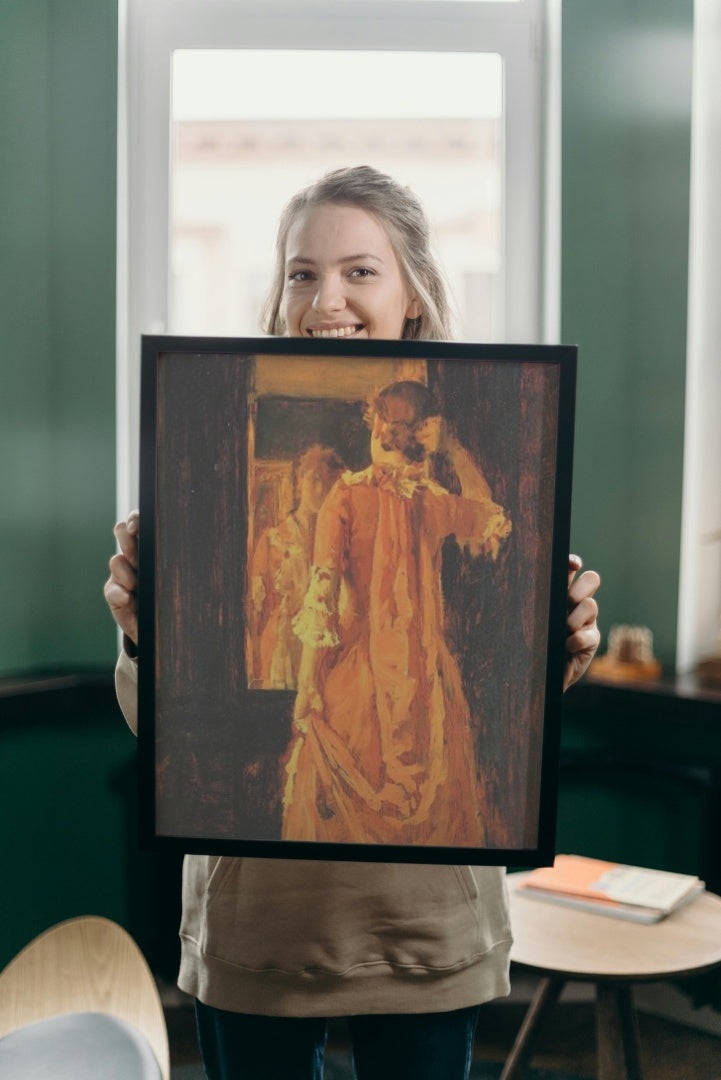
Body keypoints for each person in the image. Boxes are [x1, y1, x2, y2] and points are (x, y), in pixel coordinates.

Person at [105, 165, 601, 1080]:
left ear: (412, 292)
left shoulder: (443, 488)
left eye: (359, 271)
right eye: (301, 272)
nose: (324, 297)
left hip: (423, 919)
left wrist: (558, 646)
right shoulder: (316, 484)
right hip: (263, 920)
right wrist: (146, 636)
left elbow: (494, 543)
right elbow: (165, 716)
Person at [282, 379, 511, 848]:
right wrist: (455, 449)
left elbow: (320, 599)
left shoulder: (346, 497)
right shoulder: (434, 500)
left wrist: (307, 686)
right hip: (426, 678)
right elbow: (487, 514)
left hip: (357, 681)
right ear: (425, 435)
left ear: (379, 426)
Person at [250, 444, 345, 690]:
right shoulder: (272, 539)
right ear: (299, 482)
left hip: (320, 650)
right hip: (281, 647)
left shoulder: (339, 544)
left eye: (328, 483)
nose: (320, 490)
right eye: (313, 480)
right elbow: (256, 612)